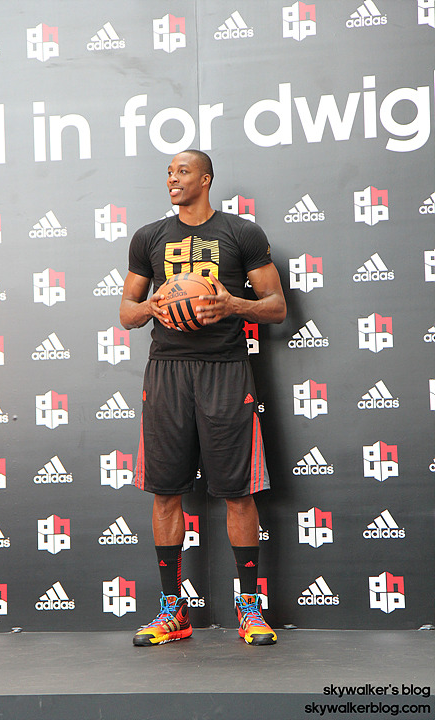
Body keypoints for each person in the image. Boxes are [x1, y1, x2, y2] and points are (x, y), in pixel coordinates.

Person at [120, 149, 286, 646]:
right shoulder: (149, 237)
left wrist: (232, 303)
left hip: (225, 371)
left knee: (238, 492)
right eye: (169, 172)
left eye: (183, 171)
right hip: (167, 372)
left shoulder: (241, 233)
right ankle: (173, 612)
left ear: (206, 179)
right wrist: (153, 306)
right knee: (165, 491)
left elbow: (276, 306)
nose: (173, 178)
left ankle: (250, 609)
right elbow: (126, 313)